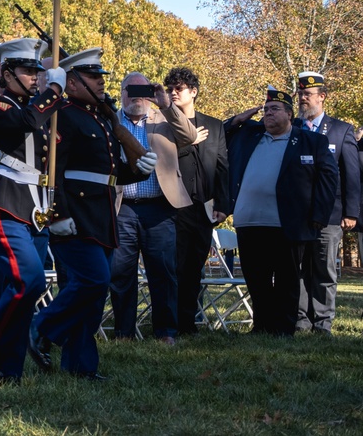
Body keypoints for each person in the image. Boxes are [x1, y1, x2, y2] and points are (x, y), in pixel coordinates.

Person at [29, 48, 155, 380]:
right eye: (93, 77)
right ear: (71, 81)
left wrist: (139, 170)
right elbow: (52, 170)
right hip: (75, 212)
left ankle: (81, 366)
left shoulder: (100, 116)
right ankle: (41, 327)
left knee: (95, 292)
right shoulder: (63, 115)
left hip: (101, 212)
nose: (101, 83)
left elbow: (109, 172)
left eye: (101, 77)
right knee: (93, 280)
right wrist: (56, 214)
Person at [0, 38, 64, 384]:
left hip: (36, 208)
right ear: (7, 73)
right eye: (27, 70)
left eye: (36, 71)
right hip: (7, 203)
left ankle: (9, 369)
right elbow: (24, 122)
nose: (34, 77)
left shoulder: (36, 109)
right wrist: (55, 88)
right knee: (30, 280)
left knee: (22, 292)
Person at [224, 87, 337, 336]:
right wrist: (237, 120)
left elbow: (328, 181)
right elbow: (215, 138)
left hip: (286, 222)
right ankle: (262, 325)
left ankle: (284, 327)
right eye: (265, 110)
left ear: (289, 114)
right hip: (249, 220)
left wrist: (319, 217)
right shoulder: (249, 135)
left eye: (274, 109)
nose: (268, 114)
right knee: (256, 278)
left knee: (286, 279)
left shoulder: (311, 141)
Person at [108, 72, 197, 344]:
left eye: (142, 91)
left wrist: (165, 104)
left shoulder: (164, 120)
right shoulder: (110, 121)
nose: (137, 97)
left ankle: (165, 332)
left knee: (163, 272)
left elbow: (190, 135)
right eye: (130, 91)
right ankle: (123, 332)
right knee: (121, 272)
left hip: (159, 208)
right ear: (121, 93)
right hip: (121, 207)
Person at [163, 67, 230, 336]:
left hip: (204, 208)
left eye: (179, 88)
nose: (173, 92)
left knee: (194, 269)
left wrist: (224, 206)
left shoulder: (214, 126)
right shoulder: (162, 123)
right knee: (173, 268)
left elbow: (223, 166)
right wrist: (187, 143)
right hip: (171, 207)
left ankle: (189, 324)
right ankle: (170, 324)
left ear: (194, 92)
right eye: (170, 88)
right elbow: (159, 161)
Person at [293, 72, 359, 335]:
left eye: (307, 95)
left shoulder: (342, 130)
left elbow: (351, 174)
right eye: (300, 95)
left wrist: (351, 212)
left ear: (322, 97)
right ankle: (300, 321)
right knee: (298, 270)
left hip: (330, 215)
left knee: (324, 270)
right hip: (297, 215)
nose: (303, 99)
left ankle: (322, 323)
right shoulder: (293, 129)